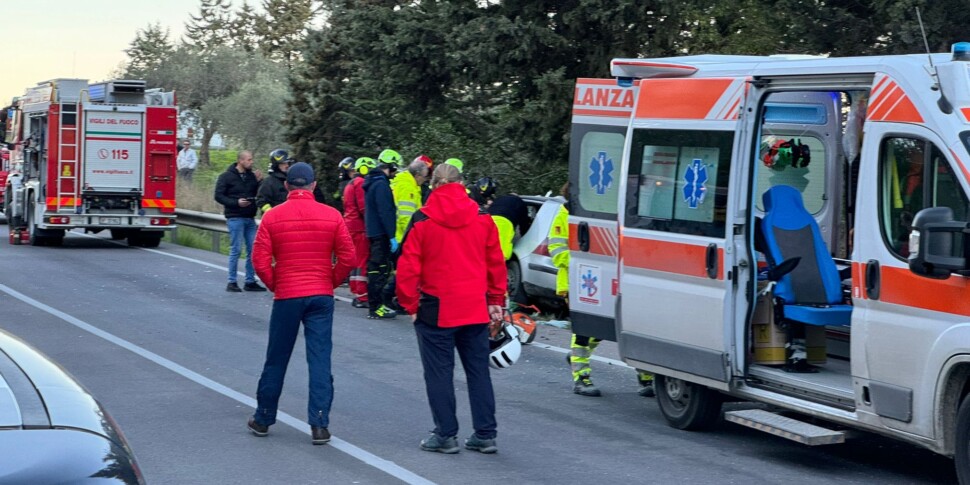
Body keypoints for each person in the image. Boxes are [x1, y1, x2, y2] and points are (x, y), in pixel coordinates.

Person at [396, 162, 507, 454]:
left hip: (436, 306)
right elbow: (496, 262)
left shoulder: (422, 219)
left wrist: (409, 304)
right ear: (462, 184)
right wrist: (496, 300)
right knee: (478, 371)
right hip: (475, 304)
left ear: (432, 185)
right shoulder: (483, 217)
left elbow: (408, 267)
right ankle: (485, 433)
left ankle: (446, 434)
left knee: (439, 373)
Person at [247, 162, 356, 445]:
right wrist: (329, 281)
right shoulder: (332, 216)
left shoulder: (273, 218)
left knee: (277, 358)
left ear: (286, 186)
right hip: (320, 294)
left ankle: (263, 418)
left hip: (287, 296)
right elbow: (348, 257)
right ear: (313, 185)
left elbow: (259, 260)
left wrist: (276, 283)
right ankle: (319, 424)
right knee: (320, 359)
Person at [553, 183, 654, 397]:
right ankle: (581, 377)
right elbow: (557, 251)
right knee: (584, 330)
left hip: (604, 277)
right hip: (576, 282)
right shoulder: (563, 216)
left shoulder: (601, 212)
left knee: (613, 328)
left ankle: (646, 377)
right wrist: (583, 261)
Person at [214, 150, 266, 293]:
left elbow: (256, 193)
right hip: (235, 217)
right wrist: (236, 202)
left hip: (249, 218)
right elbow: (218, 196)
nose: (251, 162)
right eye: (249, 160)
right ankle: (232, 282)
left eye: (251, 159)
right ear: (241, 161)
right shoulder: (226, 177)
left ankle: (250, 280)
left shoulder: (251, 177)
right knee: (236, 250)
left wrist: (259, 182)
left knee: (253, 250)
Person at [363, 149, 404, 319]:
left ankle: (376, 304)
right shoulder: (381, 185)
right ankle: (377, 306)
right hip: (381, 234)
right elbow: (385, 211)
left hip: (375, 232)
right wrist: (392, 235)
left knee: (377, 270)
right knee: (379, 271)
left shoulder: (373, 181)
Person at [344, 157, 375, 309]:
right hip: (359, 227)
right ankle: (362, 295)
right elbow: (364, 208)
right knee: (363, 260)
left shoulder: (350, 183)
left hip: (350, 226)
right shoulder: (360, 183)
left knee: (356, 260)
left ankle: (356, 290)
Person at [256, 149, 292, 213]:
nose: (287, 165)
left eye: (287, 163)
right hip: (276, 221)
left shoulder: (291, 181)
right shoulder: (268, 182)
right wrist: (272, 213)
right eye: (283, 163)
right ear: (277, 165)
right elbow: (261, 201)